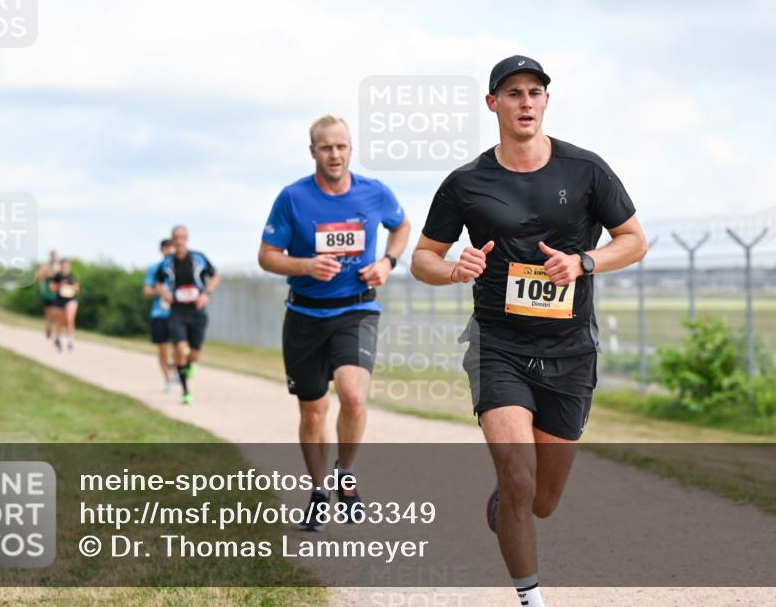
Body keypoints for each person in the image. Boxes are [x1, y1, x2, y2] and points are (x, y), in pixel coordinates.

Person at [410, 56, 647, 607]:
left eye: (535, 92)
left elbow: (634, 240)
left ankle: (509, 505)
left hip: (570, 349)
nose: (525, 102)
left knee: (541, 499)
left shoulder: (586, 170)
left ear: (546, 101)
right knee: (518, 474)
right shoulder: (467, 182)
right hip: (499, 346)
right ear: (492, 103)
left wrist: (584, 262)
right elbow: (423, 257)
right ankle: (530, 598)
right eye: (513, 93)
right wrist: (453, 269)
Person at [258, 115, 410, 532]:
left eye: (342, 146)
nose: (335, 154)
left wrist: (387, 261)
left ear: (350, 149)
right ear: (313, 152)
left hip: (356, 309)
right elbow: (267, 255)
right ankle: (319, 492)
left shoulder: (374, 192)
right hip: (305, 314)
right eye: (327, 147)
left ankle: (347, 474)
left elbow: (401, 226)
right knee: (312, 412)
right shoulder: (293, 198)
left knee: (353, 395)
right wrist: (306, 265)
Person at [156, 225, 218, 404]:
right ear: (173, 239)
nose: (179, 240)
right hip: (177, 312)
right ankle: (185, 391)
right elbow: (159, 283)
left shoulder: (199, 258)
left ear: (187, 238)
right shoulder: (167, 263)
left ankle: (189, 365)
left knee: (194, 354)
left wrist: (206, 294)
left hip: (197, 311)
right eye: (176, 237)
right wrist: (165, 293)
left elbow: (214, 277)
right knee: (181, 350)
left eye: (183, 237)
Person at [144, 238, 178, 392]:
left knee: (179, 346)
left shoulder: (180, 267)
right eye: (166, 248)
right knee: (163, 349)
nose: (170, 251)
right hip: (159, 313)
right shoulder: (154, 268)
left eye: (172, 247)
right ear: (161, 250)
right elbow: (147, 291)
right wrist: (161, 291)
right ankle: (167, 379)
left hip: (178, 312)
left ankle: (177, 368)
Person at [50, 258, 80, 352]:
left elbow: (77, 289)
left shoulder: (72, 276)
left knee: (69, 319)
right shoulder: (57, 277)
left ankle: (70, 339)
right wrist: (60, 285)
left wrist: (73, 288)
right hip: (60, 301)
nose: (65, 268)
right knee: (60, 322)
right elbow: (51, 288)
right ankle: (58, 338)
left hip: (71, 300)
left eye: (67, 266)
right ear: (60, 267)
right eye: (63, 266)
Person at [35, 264, 58, 339]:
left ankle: (49, 327)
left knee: (53, 315)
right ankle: (48, 328)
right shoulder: (43, 277)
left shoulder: (50, 276)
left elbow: (54, 275)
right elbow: (37, 276)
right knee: (47, 315)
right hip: (46, 298)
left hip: (53, 298)